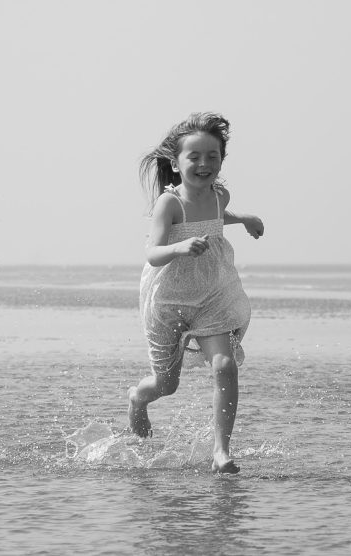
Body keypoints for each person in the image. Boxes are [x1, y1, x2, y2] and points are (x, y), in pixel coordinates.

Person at [130, 112, 264, 474]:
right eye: (195, 157)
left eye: (212, 156)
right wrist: (180, 247)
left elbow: (216, 217)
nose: (204, 164)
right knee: (166, 384)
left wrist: (244, 219)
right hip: (168, 299)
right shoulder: (169, 203)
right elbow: (152, 252)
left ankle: (221, 451)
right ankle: (138, 399)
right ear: (176, 163)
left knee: (225, 365)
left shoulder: (221, 196)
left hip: (211, 294)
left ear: (221, 160)